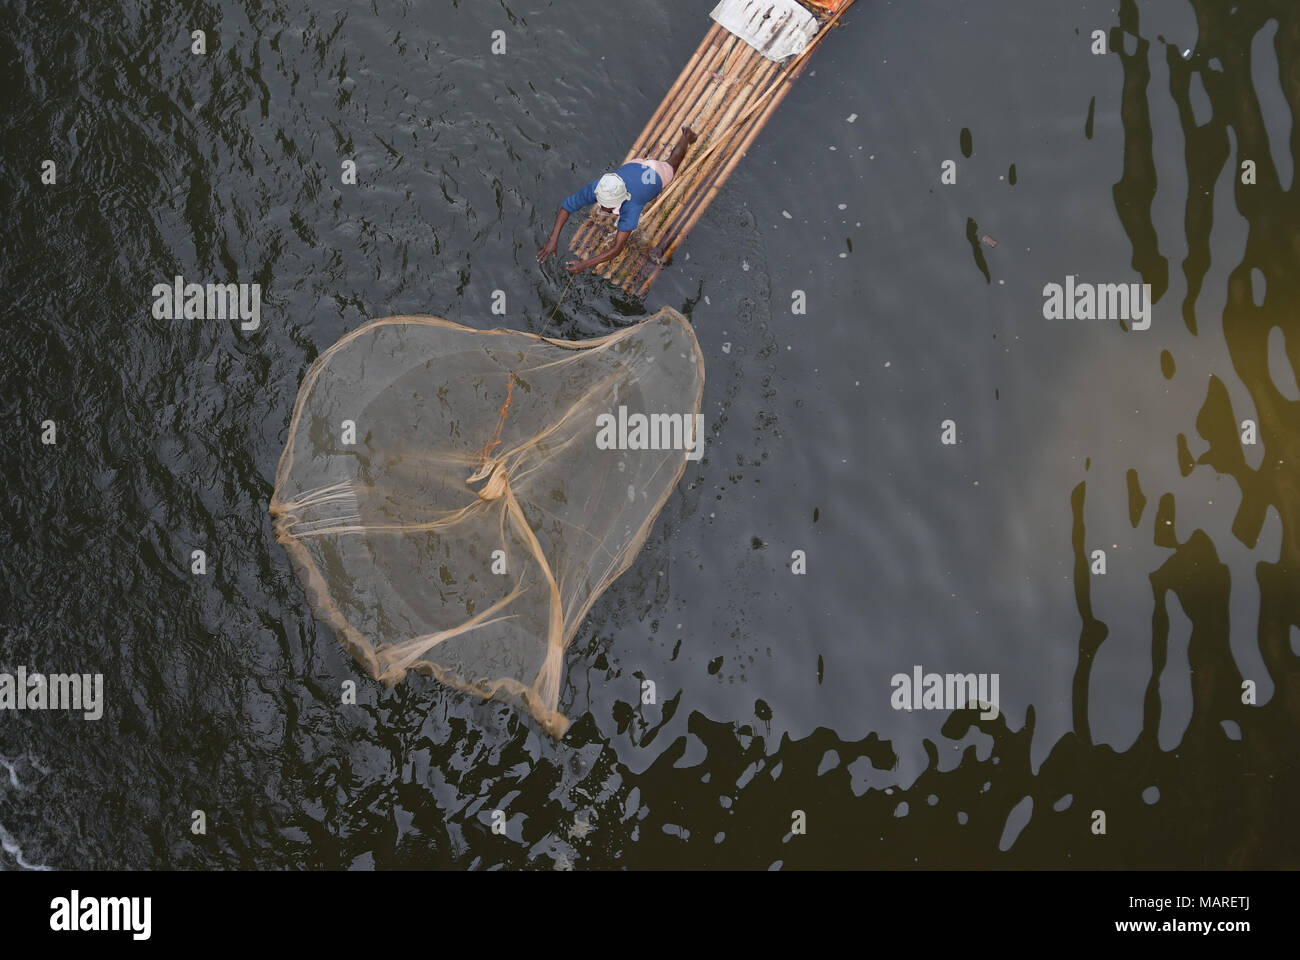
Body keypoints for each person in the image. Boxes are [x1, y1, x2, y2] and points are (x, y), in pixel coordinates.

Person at [538, 126, 698, 275]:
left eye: (605, 207)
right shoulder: (600, 187)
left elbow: (617, 248)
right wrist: (553, 239)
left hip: (654, 173)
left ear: (620, 201)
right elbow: (566, 207)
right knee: (658, 168)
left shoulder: (632, 207)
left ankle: (687, 135)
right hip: (634, 167)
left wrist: (583, 264)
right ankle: (680, 140)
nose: (600, 207)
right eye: (600, 202)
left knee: (673, 163)